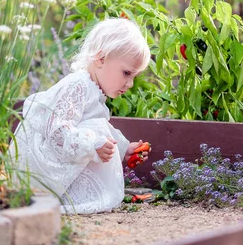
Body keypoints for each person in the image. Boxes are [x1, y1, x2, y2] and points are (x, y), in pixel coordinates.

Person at [8, 17, 151, 214]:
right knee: (95, 134)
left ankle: (77, 193)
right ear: (101, 59)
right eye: (126, 73)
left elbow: (100, 128)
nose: (130, 84)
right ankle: (74, 195)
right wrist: (92, 144)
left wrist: (125, 149)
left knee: (98, 132)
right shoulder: (77, 85)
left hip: (58, 160)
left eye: (134, 76)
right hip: (41, 165)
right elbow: (57, 130)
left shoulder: (94, 91)